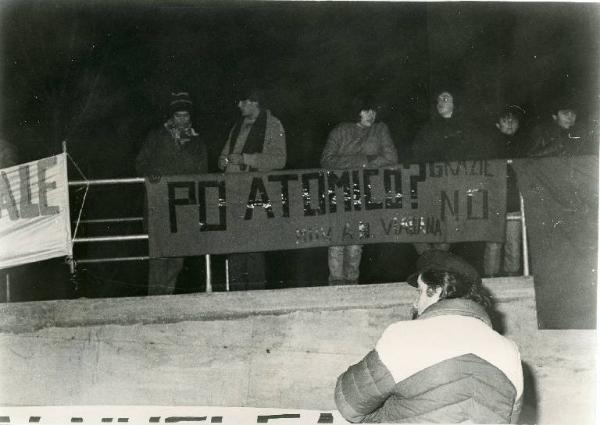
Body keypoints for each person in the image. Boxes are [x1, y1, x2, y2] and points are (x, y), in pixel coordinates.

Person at [335, 250, 524, 423]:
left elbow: (349, 405)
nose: (415, 303)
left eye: (420, 291)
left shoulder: (404, 335)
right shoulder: (509, 351)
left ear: (437, 291)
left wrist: (392, 414)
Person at [320, 95, 398, 285]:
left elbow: (391, 157)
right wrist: (365, 160)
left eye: (373, 110)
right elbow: (327, 160)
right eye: (366, 110)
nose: (370, 114)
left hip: (365, 192)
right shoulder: (340, 131)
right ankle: (336, 285)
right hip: (338, 192)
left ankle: (353, 285)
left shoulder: (380, 130)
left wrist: (365, 163)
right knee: (337, 241)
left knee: (356, 243)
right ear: (356, 111)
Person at [136, 92, 208, 295]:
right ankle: (155, 300)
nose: (182, 120)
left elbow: (203, 173)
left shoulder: (197, 141)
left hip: (184, 208)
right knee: (159, 257)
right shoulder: (156, 136)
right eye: (178, 116)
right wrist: (151, 174)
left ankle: (167, 299)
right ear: (171, 117)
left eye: (186, 116)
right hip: (159, 205)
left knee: (177, 258)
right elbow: (140, 162)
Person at [218, 87, 286, 290]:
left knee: (255, 248)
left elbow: (279, 159)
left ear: (254, 102)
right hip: (233, 193)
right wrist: (222, 160)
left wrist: (246, 159)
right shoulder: (237, 126)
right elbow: (224, 153)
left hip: (256, 193)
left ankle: (257, 298)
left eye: (242, 101)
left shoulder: (273, 125)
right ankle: (236, 295)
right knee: (235, 245)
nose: (238, 106)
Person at [412, 90, 480, 255]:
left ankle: (439, 260)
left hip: (456, 186)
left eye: (445, 98)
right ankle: (429, 259)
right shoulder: (428, 128)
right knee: (424, 226)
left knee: (450, 227)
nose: (440, 102)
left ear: (455, 104)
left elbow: (473, 154)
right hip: (433, 185)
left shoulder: (467, 128)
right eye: (438, 100)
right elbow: (418, 153)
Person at [484, 105, 527, 277]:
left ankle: (512, 278)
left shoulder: (525, 146)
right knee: (494, 243)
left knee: (514, 242)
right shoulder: (488, 146)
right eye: (505, 120)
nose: (509, 123)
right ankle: (491, 278)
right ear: (497, 124)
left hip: (515, 201)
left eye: (513, 120)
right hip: (494, 202)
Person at [528, 98, 595, 157]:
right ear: (555, 117)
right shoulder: (541, 131)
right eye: (565, 114)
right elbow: (531, 156)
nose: (570, 118)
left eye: (573, 114)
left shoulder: (580, 133)